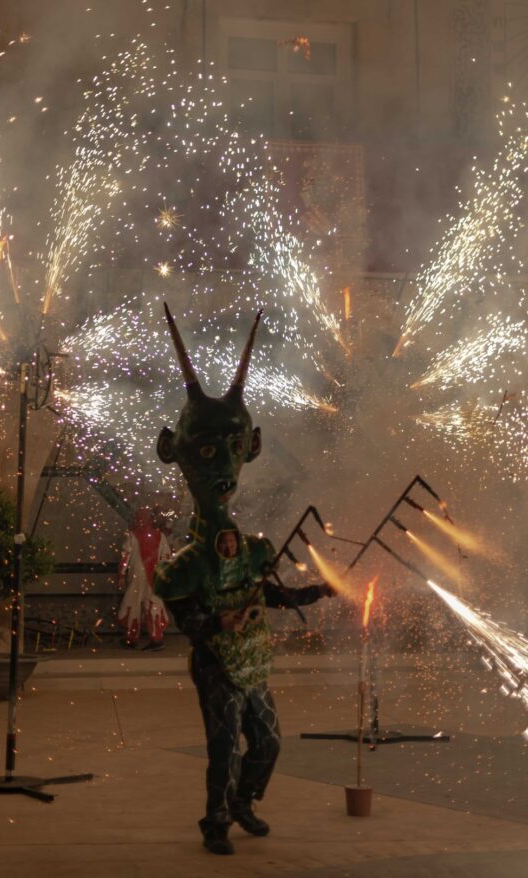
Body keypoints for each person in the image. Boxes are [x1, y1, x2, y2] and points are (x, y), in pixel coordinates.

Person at [153, 305, 336, 855]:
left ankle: (243, 802)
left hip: (252, 660)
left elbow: (271, 594)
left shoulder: (252, 549)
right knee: (223, 747)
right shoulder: (189, 563)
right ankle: (215, 821)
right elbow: (185, 611)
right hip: (217, 663)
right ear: (173, 451)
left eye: (233, 449)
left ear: (251, 447)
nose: (223, 467)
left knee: (269, 742)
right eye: (207, 451)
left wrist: (316, 592)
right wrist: (217, 623)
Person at [118, 507, 171, 651]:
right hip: (154, 576)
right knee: (154, 605)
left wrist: (121, 574)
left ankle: (132, 638)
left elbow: (125, 557)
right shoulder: (160, 536)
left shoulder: (133, 535)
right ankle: (156, 638)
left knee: (133, 604)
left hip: (137, 577)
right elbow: (166, 558)